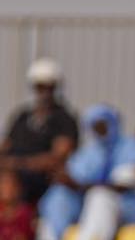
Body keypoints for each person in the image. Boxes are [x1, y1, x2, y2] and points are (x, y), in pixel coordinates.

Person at [37, 103, 135, 240]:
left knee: (100, 196)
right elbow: (74, 178)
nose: (99, 130)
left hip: (134, 207)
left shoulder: (131, 147)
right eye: (95, 126)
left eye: (102, 124)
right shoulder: (92, 152)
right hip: (92, 205)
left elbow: (121, 186)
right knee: (59, 196)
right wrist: (64, 179)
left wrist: (80, 185)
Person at [0, 59, 78, 206]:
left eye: (48, 87)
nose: (44, 92)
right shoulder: (22, 117)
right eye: (39, 87)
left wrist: (20, 164)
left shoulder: (64, 119)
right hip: (15, 173)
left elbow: (58, 157)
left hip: (41, 180)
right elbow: (6, 146)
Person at [0, 168, 36, 240]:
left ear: (19, 188)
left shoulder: (25, 213)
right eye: (4, 184)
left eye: (11, 184)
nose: (7, 188)